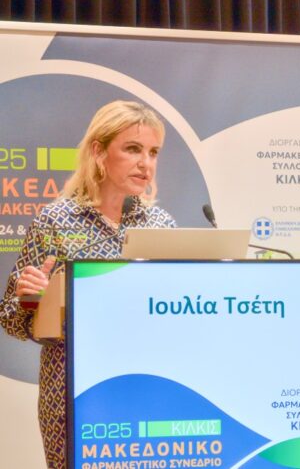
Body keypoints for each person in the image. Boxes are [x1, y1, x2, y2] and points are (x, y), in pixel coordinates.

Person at [0, 100, 176, 468]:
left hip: (147, 390)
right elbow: (11, 318)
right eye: (133, 149)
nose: (146, 163)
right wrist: (31, 298)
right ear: (98, 152)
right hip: (74, 395)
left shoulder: (161, 224)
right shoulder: (55, 220)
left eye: (153, 152)